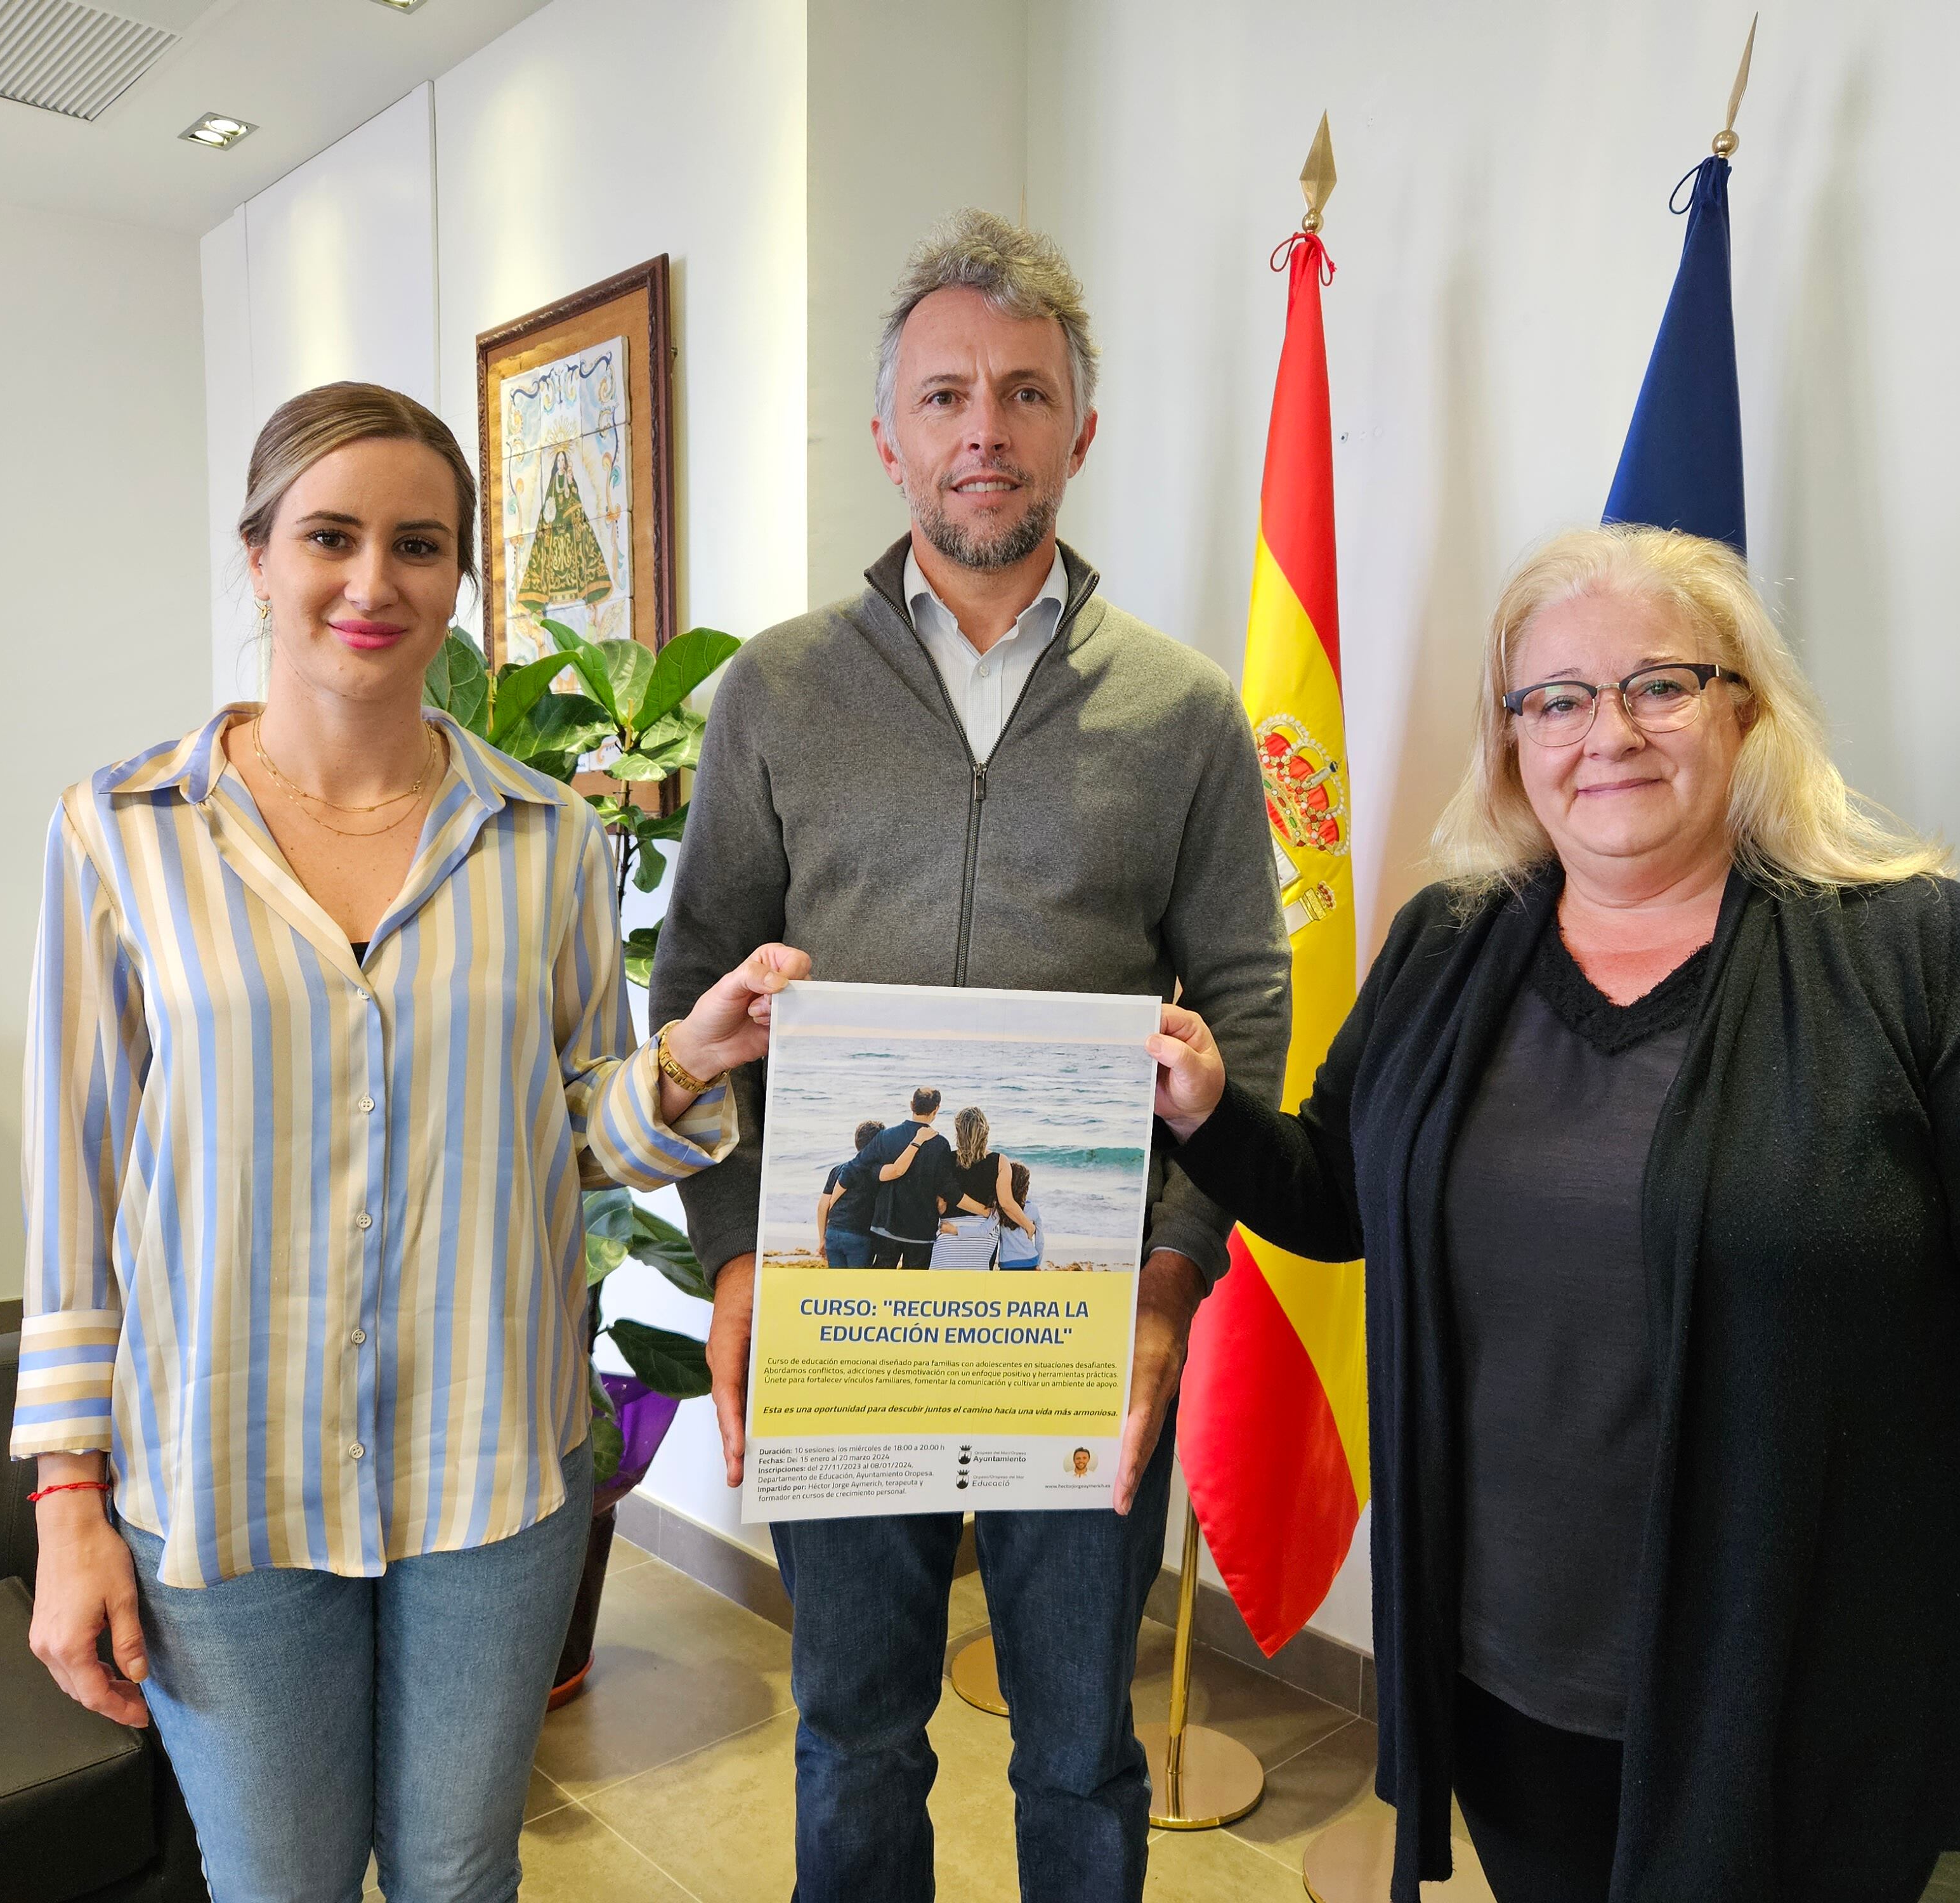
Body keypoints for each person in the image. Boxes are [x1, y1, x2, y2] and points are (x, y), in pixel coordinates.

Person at [1143, 525, 1960, 1903]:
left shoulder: (1923, 958)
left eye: (1659, 684)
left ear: (1744, 706)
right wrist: (1209, 1112)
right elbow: (1340, 1197)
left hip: (1807, 1695)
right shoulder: (1446, 947)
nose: (1607, 733)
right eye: (1556, 698)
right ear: (1512, 738)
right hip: (1507, 1676)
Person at [12, 380, 807, 1903]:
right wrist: (66, 1503)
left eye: (419, 545)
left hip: (488, 1476)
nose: (373, 583)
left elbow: (580, 1129)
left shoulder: (548, 840)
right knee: (280, 1884)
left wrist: (692, 1056)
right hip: (224, 1480)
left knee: (458, 1874)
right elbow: (73, 1183)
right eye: (330, 535)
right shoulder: (118, 832)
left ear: (459, 579)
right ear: (258, 556)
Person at [651, 209, 1289, 1902]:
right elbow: (699, 985)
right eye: (945, 397)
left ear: (1083, 429)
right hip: (838, 1306)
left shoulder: (1183, 713)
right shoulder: (777, 696)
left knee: (1079, 1740)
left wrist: (1167, 1286)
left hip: (1075, 1325)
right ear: (890, 438)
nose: (983, 430)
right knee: (856, 1723)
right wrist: (728, 1262)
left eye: (1023, 393)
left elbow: (1246, 1008)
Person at [863, 1086, 962, 1267]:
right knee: (914, 1287)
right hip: (921, 1230)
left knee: (880, 1282)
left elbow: (871, 1174)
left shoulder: (887, 1137)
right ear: (937, 1109)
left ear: (911, 1105)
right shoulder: (940, 1144)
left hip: (887, 1223)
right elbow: (943, 1195)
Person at [931, 1106, 1017, 1267]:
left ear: (959, 1132)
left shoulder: (946, 1159)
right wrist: (1028, 1225)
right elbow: (1006, 1203)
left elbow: (941, 1205)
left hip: (950, 1232)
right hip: (984, 1235)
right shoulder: (1000, 1161)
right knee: (979, 1288)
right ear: (985, 1131)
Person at [814, 1118, 887, 1264]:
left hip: (833, 1233)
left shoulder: (839, 1169)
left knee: (837, 1284)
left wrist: (822, 1239)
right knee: (857, 1285)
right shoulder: (878, 1173)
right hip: (860, 1236)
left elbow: (823, 1206)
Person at [996, 1160, 1043, 1270]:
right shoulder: (1033, 1208)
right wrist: (1038, 1262)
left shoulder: (1000, 1207)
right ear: (1025, 1185)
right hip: (1030, 1260)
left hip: (1007, 1262)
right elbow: (1040, 1240)